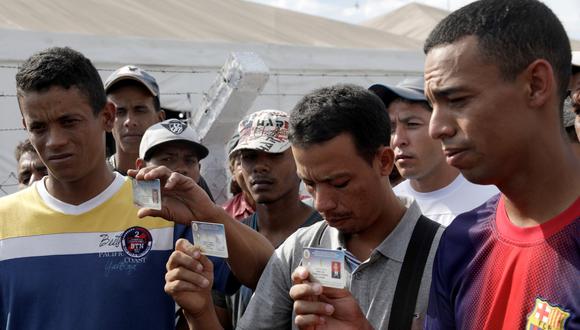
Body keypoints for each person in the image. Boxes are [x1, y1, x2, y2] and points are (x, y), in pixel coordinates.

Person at [163, 84, 444, 330]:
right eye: (309, 184)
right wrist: (200, 312)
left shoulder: (446, 255)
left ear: (384, 161)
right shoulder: (298, 250)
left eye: (339, 182)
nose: (322, 203)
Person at [0, 47, 183, 329]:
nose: (55, 141)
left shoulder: (159, 209)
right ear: (25, 126)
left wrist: (211, 214)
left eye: (69, 122)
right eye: (38, 128)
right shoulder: (3, 221)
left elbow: (262, 272)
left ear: (107, 117)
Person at [422, 0, 580, 329]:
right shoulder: (461, 240)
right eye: (432, 104)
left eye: (457, 99)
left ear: (536, 84)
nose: (436, 128)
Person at [214, 110, 323, 329]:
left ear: (299, 158)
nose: (260, 166)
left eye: (274, 155)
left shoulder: (327, 234)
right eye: (250, 156)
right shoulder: (229, 238)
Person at [370, 77, 498, 226]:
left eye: (412, 124)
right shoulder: (385, 209)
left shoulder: (494, 201)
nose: (398, 140)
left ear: (444, 127)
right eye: (391, 129)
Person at [105, 65, 165, 175]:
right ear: (107, 120)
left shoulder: (177, 180)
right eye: (120, 112)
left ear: (160, 119)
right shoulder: (93, 182)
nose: (130, 121)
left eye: (140, 110)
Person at [137, 118, 215, 201]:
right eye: (167, 159)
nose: (181, 169)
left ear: (199, 169)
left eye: (189, 161)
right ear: (141, 167)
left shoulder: (210, 212)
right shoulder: (125, 210)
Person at [222, 132, 256, 220]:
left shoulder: (295, 208)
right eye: (246, 158)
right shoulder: (223, 217)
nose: (257, 167)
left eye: (272, 157)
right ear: (232, 170)